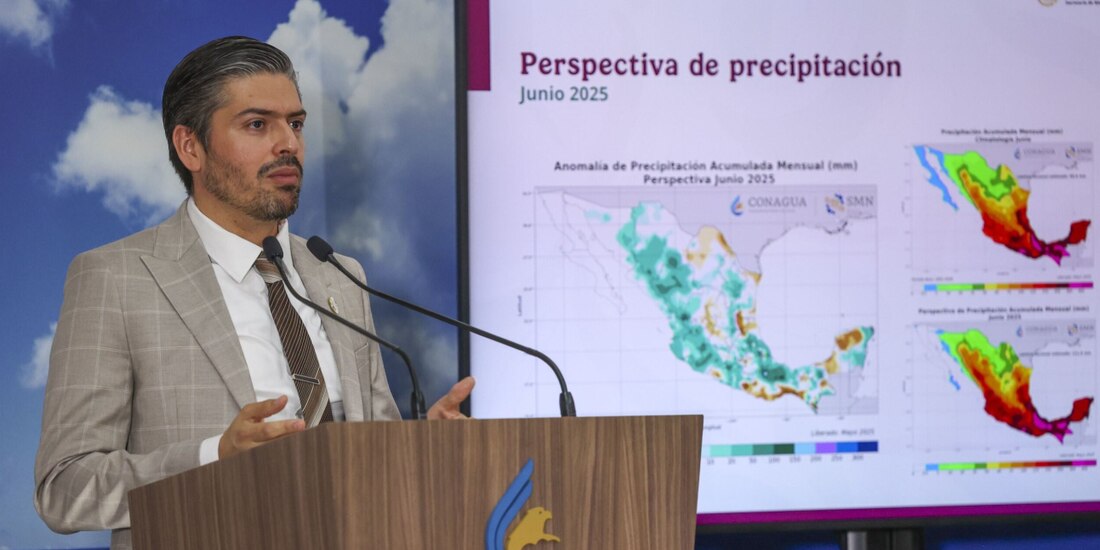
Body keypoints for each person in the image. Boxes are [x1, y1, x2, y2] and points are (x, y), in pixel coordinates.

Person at [34, 35, 474, 549]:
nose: (287, 142)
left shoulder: (339, 275)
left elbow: (369, 454)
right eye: (257, 124)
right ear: (190, 146)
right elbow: (64, 488)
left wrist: (426, 450)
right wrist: (214, 458)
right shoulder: (116, 278)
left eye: (296, 123)